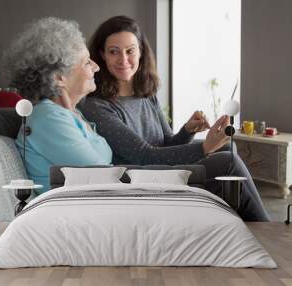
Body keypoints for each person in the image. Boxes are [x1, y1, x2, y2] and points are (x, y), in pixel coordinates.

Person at [78, 15, 270, 221]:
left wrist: (187, 131)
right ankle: (267, 230)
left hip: (158, 168)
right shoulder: (98, 105)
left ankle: (237, 226)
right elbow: (144, 156)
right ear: (102, 55)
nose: (123, 59)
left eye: (130, 50)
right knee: (227, 162)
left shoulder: (146, 94)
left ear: (141, 52)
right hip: (138, 179)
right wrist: (205, 147)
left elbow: (166, 144)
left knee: (227, 149)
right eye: (114, 51)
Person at [5, 17, 112, 194]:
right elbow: (101, 173)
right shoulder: (48, 119)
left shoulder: (67, 114)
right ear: (58, 78)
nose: (96, 67)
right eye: (86, 62)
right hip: (72, 213)